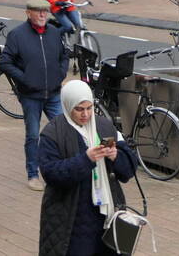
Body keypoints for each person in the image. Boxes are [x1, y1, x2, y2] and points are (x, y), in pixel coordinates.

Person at [38, 80, 137, 255]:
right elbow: (51, 173)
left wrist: (116, 156)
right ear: (68, 106)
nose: (85, 114)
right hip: (71, 218)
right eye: (79, 109)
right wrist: (86, 159)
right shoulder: (53, 133)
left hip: (106, 216)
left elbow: (128, 170)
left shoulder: (105, 126)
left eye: (89, 108)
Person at [0, 0, 69, 191]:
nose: (42, 15)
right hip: (31, 96)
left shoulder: (54, 33)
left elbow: (64, 56)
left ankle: (62, 170)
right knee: (32, 135)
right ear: (28, 13)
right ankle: (33, 175)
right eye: (38, 11)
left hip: (53, 92)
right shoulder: (17, 35)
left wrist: (60, 73)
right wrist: (25, 79)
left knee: (63, 131)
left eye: (45, 11)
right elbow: (5, 62)